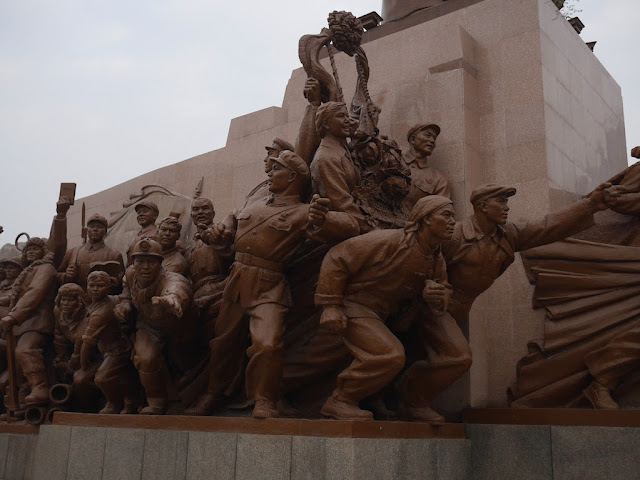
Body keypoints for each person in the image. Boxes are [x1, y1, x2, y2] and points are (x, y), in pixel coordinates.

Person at [185, 151, 332, 418]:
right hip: (238, 279)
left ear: (291, 176)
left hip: (270, 284)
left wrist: (323, 219)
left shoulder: (303, 212)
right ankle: (212, 394)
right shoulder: (251, 205)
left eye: (275, 170)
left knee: (267, 344)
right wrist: (216, 234)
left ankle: (264, 399)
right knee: (223, 344)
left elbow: (349, 227)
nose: (269, 174)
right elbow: (225, 232)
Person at [314, 195, 457, 421]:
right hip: (355, 306)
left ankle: (403, 400)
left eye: (454, 217)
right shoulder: (390, 241)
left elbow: (444, 289)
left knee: (392, 354)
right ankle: (340, 400)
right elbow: (337, 257)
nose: (452, 222)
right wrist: (330, 305)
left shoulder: (435, 258)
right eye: (446, 215)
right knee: (389, 354)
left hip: (383, 315)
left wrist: (437, 295)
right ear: (426, 219)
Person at [115, 238, 192, 414]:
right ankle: (156, 401)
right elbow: (127, 290)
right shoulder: (130, 274)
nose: (145, 267)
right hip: (149, 326)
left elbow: (177, 289)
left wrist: (172, 299)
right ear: (133, 263)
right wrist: (124, 304)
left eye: (151, 262)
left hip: (179, 328)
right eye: (140, 262)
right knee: (145, 357)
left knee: (186, 365)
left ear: (160, 263)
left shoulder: (171, 279)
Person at [0, 238, 57, 406]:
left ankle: (40, 388)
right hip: (23, 323)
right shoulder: (28, 271)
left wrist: (13, 316)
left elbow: (34, 293)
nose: (30, 251)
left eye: (35, 248)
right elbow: (15, 295)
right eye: (27, 249)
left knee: (26, 350)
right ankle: (20, 404)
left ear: (43, 251)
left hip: (38, 321)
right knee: (18, 366)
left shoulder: (46, 268)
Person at [81, 271, 139, 414]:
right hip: (108, 349)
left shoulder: (102, 311)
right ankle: (131, 403)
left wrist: (83, 364)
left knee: (102, 378)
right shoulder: (95, 304)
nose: (95, 289)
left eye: (100, 286)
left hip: (118, 350)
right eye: (91, 285)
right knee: (124, 377)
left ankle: (114, 404)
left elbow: (88, 342)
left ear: (108, 287)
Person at [310, 101, 367, 242]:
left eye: (347, 115)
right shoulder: (325, 158)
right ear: (327, 124)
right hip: (346, 229)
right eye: (341, 116)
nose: (348, 120)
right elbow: (342, 205)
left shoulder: (341, 147)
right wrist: (372, 227)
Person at [185, 197, 233, 336]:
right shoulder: (189, 247)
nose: (200, 212)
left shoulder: (223, 234)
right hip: (197, 298)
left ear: (213, 213)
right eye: (195, 209)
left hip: (221, 292)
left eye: (205, 208)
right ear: (192, 216)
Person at [57, 213, 124, 290]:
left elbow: (120, 282)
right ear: (87, 230)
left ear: (105, 231)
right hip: (76, 298)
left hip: (100, 299)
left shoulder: (114, 255)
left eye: (100, 227)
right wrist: (66, 276)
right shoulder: (72, 252)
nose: (95, 229)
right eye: (92, 227)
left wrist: (110, 281)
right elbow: (57, 274)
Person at [401, 123, 451, 209]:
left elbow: (441, 213)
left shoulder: (439, 180)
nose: (432, 140)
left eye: (434, 138)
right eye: (428, 135)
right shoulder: (394, 161)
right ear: (413, 139)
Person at [125, 201, 159, 265]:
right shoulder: (136, 236)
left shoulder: (158, 234)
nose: (141, 214)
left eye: (145, 211)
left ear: (155, 216)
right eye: (139, 212)